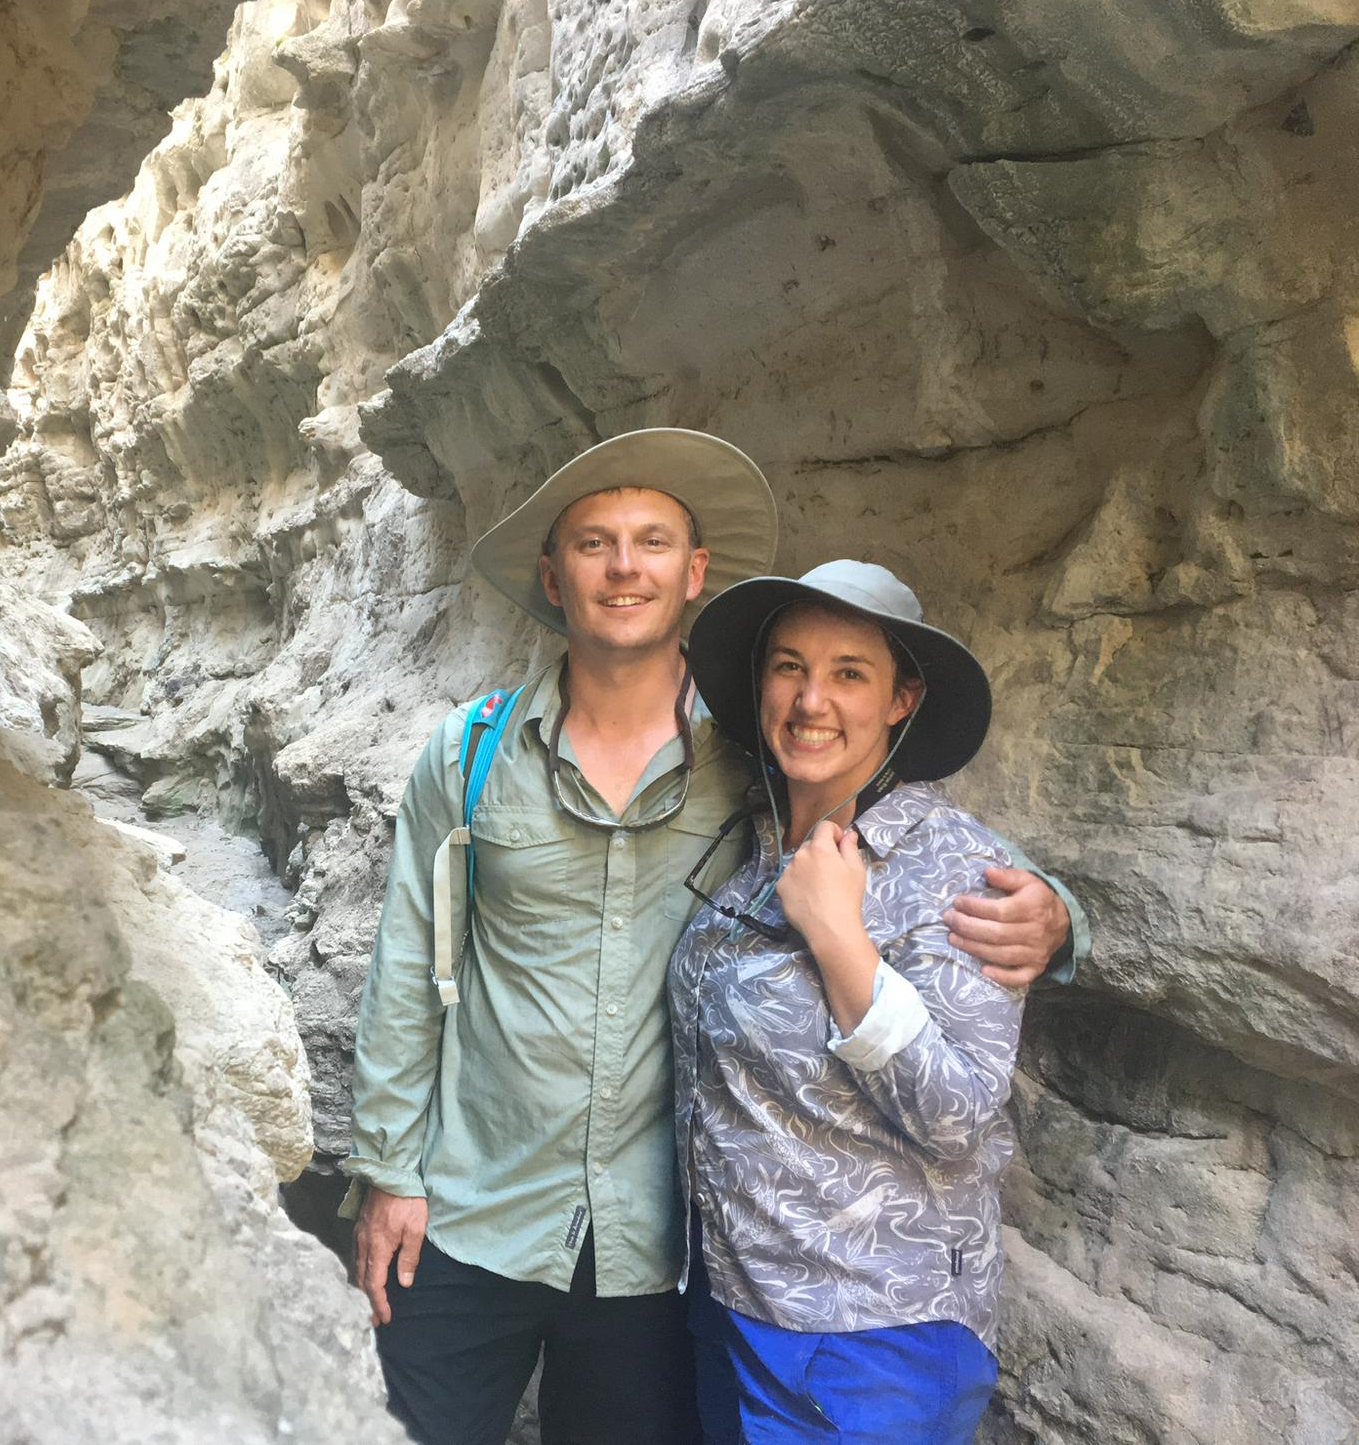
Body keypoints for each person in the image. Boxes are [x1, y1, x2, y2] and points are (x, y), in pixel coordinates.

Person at [341, 429, 1085, 1445]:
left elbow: (915, 846)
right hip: (478, 1206)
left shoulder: (752, 760)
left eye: (650, 541)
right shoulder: (470, 754)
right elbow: (405, 967)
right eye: (592, 542)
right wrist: (390, 1171)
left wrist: (1054, 916)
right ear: (552, 578)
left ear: (692, 574)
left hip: (662, 1249)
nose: (622, 566)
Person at [668, 559, 1032, 1444]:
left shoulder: (955, 870)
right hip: (736, 1303)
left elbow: (958, 1114)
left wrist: (842, 941)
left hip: (870, 1337)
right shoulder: (756, 843)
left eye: (849, 674)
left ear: (901, 699)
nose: (810, 700)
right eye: (789, 666)